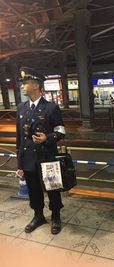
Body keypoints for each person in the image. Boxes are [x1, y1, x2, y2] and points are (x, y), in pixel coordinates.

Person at [16, 67, 66, 235]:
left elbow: (61, 132)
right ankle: (38, 215)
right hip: (29, 159)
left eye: (25, 83)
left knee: (52, 189)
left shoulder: (51, 108)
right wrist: (20, 162)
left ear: (36, 86)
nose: (22, 86)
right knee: (34, 190)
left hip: (47, 157)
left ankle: (56, 216)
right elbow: (19, 138)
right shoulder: (21, 109)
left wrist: (47, 138)